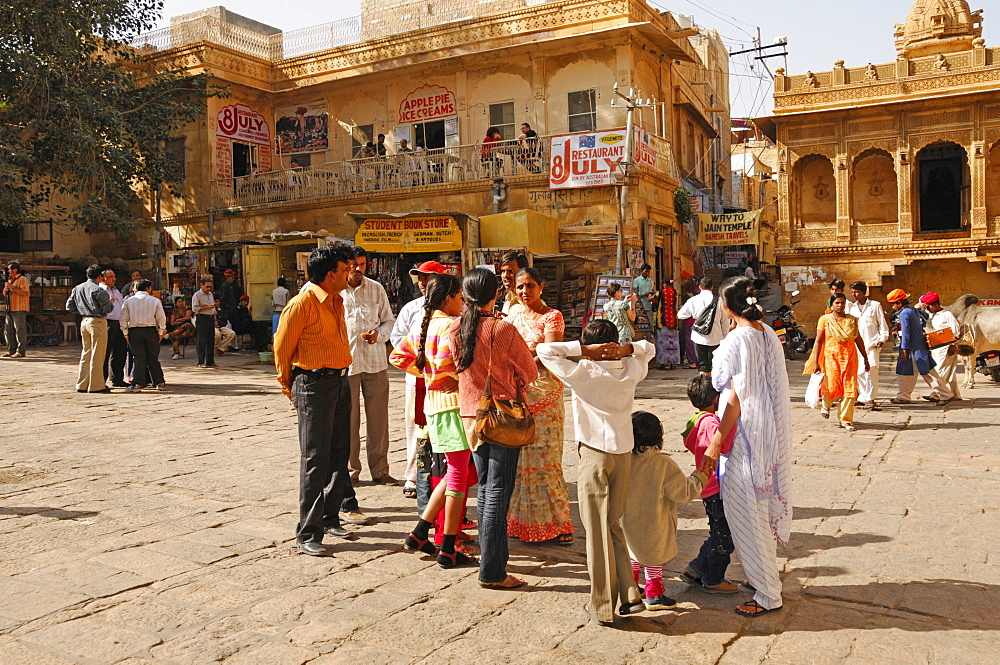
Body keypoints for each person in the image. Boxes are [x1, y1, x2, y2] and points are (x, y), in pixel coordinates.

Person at [537, 319, 655, 625]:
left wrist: (585, 351)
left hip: (594, 453)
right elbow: (649, 349)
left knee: (596, 532)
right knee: (614, 524)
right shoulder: (630, 369)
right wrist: (626, 349)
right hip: (623, 453)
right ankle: (630, 594)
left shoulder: (583, 371)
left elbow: (545, 351)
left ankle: (602, 604)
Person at [702, 276, 792, 617]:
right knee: (756, 516)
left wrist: (715, 440)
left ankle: (768, 593)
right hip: (766, 435)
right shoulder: (766, 333)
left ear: (725, 308)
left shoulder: (736, 340)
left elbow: (736, 398)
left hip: (744, 439)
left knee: (747, 520)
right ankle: (765, 584)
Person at [451, 268, 538, 589]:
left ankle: (492, 567)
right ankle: (493, 572)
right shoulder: (502, 329)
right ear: (495, 294)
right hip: (501, 417)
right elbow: (530, 374)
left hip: (470, 417)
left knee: (487, 491)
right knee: (497, 495)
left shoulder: (456, 328)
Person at [274, 244, 355, 556]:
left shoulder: (336, 300)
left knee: (339, 451)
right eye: (344, 270)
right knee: (314, 458)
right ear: (329, 274)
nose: (349, 273)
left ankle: (330, 517)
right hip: (313, 384)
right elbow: (282, 348)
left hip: (339, 380)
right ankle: (308, 531)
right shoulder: (302, 303)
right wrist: (288, 386)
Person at [391, 274, 476, 568]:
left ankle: (419, 532)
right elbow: (455, 365)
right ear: (449, 298)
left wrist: (428, 377)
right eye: (461, 298)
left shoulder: (422, 326)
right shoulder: (452, 326)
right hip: (453, 408)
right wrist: (446, 378)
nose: (463, 304)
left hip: (434, 408)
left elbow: (398, 358)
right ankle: (449, 547)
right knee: (458, 478)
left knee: (455, 472)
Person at [506, 268, 572, 544]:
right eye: (520, 287)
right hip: (515, 394)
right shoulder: (512, 314)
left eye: (530, 286)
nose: (525, 292)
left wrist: (521, 370)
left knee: (546, 460)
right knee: (520, 462)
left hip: (543, 395)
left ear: (542, 287)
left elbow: (547, 354)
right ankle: (522, 524)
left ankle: (558, 524)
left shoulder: (552, 317)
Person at [623, 411, 710, 611]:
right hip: (654, 523)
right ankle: (654, 594)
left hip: (626, 521)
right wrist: (700, 477)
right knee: (654, 556)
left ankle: (631, 588)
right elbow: (684, 492)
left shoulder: (623, 460)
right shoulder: (663, 464)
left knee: (631, 554)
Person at [391, 261, 449, 499]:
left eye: (428, 278)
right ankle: (414, 476)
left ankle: (445, 475)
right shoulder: (411, 308)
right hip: (417, 378)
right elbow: (397, 339)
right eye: (420, 278)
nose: (423, 283)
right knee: (415, 426)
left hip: (445, 381)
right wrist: (417, 362)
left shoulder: (454, 309)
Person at [342, 246, 396, 484]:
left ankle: (380, 470)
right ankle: (350, 471)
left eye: (362, 265)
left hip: (375, 363)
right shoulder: (337, 291)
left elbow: (389, 322)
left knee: (378, 421)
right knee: (348, 420)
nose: (357, 269)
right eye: (354, 264)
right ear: (346, 265)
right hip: (347, 364)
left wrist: (379, 334)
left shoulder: (376, 288)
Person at [681, 375, 740, 594]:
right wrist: (731, 422)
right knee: (724, 536)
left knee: (718, 531)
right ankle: (713, 578)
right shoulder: (711, 423)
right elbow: (721, 447)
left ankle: (695, 568)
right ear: (716, 400)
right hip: (715, 487)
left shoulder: (697, 419)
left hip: (707, 486)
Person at [808, 293, 870, 431]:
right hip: (831, 358)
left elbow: (858, 339)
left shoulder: (852, 320)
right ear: (832, 304)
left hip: (850, 358)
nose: (840, 305)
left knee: (850, 389)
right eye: (837, 303)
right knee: (832, 385)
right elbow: (818, 341)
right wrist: (816, 362)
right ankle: (826, 404)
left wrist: (865, 358)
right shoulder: (824, 320)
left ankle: (846, 420)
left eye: (842, 302)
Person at [887, 289, 952, 405]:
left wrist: (905, 349)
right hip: (918, 346)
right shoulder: (913, 310)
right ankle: (904, 395)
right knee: (907, 372)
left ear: (899, 303)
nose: (893, 307)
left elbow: (906, 331)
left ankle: (945, 394)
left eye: (893, 304)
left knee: (926, 372)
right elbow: (925, 315)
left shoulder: (904, 313)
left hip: (912, 348)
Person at [66, 265, 114, 393]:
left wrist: (82, 311)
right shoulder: (99, 291)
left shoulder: (77, 288)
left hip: (84, 320)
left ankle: (82, 384)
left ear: (87, 275)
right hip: (97, 321)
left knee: (86, 353)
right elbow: (107, 308)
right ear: (100, 277)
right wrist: (110, 301)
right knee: (98, 355)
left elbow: (69, 306)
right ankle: (96, 385)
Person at [846, 281, 889, 408]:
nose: (854, 294)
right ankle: (863, 396)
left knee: (871, 370)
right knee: (859, 371)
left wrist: (882, 338)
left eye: (857, 292)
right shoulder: (852, 308)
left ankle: (870, 399)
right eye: (853, 292)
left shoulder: (875, 305)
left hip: (872, 344)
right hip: (856, 345)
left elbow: (882, 323)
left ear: (864, 292)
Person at [120, 279, 167, 393]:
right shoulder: (155, 301)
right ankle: (159, 382)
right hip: (151, 331)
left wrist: (125, 333)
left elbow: (123, 319)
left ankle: (138, 383)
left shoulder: (128, 301)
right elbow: (161, 318)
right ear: (148, 288)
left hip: (134, 331)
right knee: (153, 357)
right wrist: (161, 332)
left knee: (138, 358)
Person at [677, 277, 729, 375]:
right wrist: (724, 337)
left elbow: (681, 315)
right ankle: (714, 387)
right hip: (716, 337)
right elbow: (725, 322)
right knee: (715, 365)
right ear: (712, 287)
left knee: (703, 366)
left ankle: (705, 386)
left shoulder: (693, 300)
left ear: (700, 287)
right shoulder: (719, 301)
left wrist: (695, 315)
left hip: (699, 337)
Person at [920, 292, 961, 404]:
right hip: (936, 347)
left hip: (946, 346)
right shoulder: (931, 316)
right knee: (950, 371)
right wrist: (923, 312)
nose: (928, 309)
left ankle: (937, 394)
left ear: (935, 304)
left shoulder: (947, 314)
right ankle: (956, 394)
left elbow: (956, 330)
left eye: (929, 306)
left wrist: (952, 345)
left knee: (941, 370)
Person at [100, 270, 128, 387]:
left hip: (119, 323)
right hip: (108, 322)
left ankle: (117, 378)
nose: (114, 279)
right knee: (105, 353)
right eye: (110, 277)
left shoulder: (116, 290)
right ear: (103, 278)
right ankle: (102, 379)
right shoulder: (100, 290)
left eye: (114, 276)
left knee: (120, 352)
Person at [2, 261, 30, 359]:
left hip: (19, 308)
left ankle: (21, 351)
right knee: (8, 330)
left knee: (20, 330)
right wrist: (6, 290)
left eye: (9, 269)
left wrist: (12, 288)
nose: (8, 271)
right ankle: (11, 350)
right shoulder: (10, 280)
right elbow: (5, 294)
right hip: (10, 308)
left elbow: (25, 292)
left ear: (15, 270)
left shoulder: (22, 279)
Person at [191, 277, 217, 368]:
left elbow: (213, 308)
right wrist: (206, 307)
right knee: (201, 340)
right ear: (201, 286)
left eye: (210, 287)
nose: (209, 289)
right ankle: (200, 361)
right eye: (207, 287)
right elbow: (194, 309)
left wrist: (215, 319)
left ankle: (210, 361)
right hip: (202, 318)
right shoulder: (197, 295)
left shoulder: (210, 294)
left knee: (211, 340)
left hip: (210, 318)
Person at [654, 278, 680, 369]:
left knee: (663, 343)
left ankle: (664, 363)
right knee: (672, 342)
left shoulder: (660, 293)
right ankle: (672, 363)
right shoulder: (676, 293)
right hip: (674, 321)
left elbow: (654, 305)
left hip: (662, 321)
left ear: (664, 284)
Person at [496, 251, 528, 316]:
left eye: (510, 271)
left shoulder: (530, 302)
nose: (505, 275)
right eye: (503, 271)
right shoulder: (507, 300)